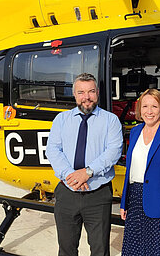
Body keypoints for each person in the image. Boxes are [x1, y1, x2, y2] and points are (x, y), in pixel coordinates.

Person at [46, 73, 123, 256]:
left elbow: (113, 151)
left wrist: (87, 172)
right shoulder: (61, 120)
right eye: (81, 92)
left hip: (98, 194)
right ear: (74, 95)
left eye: (90, 91)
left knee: (100, 250)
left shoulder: (110, 120)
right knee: (66, 250)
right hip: (67, 193)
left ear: (97, 93)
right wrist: (71, 176)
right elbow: (53, 150)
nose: (86, 97)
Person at [120, 88, 160, 256]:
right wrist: (124, 202)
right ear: (139, 109)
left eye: (154, 107)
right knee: (135, 251)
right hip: (134, 202)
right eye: (145, 106)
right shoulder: (134, 132)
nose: (149, 111)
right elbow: (130, 171)